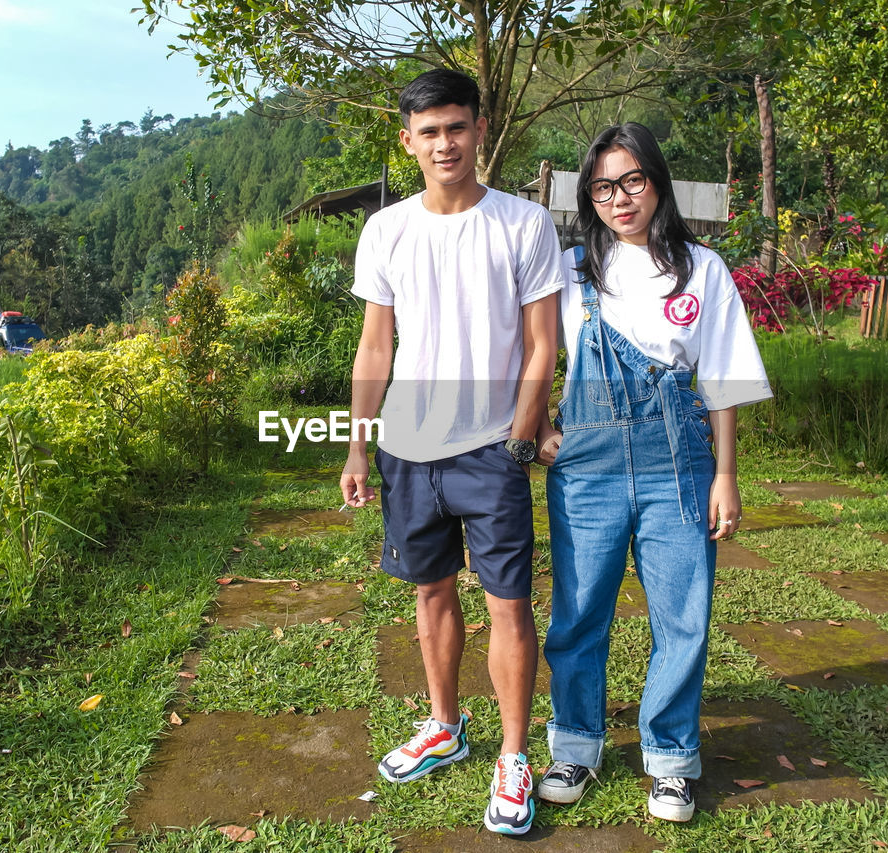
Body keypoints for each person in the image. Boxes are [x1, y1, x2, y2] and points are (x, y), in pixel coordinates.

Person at [339, 68, 562, 836]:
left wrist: (521, 437)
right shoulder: (387, 229)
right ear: (408, 142)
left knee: (508, 602)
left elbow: (543, 345)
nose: (444, 143)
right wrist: (358, 447)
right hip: (405, 449)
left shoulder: (524, 224)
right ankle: (443, 722)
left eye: (456, 128)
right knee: (428, 593)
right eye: (428, 131)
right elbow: (376, 344)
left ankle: (511, 753)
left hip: (490, 450)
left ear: (478, 130)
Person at [533, 122, 771, 822]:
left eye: (632, 180)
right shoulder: (571, 270)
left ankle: (669, 759)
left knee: (683, 615)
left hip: (681, 462)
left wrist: (725, 474)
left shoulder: (704, 269)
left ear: (658, 182)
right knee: (579, 612)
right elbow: (535, 354)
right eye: (604, 186)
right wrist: (540, 429)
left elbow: (723, 379)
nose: (620, 197)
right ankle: (575, 744)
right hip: (588, 468)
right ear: (588, 196)